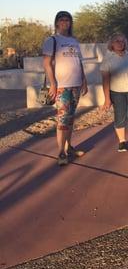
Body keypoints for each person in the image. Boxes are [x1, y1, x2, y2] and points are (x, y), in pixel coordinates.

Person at [42, 11, 88, 166]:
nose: (65, 22)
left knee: (70, 119)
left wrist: (84, 79)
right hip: (62, 86)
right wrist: (53, 83)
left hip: (76, 84)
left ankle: (69, 148)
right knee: (62, 120)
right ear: (56, 22)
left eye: (67, 20)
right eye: (61, 20)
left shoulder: (74, 40)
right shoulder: (52, 40)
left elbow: (79, 62)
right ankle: (61, 152)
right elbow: (47, 64)